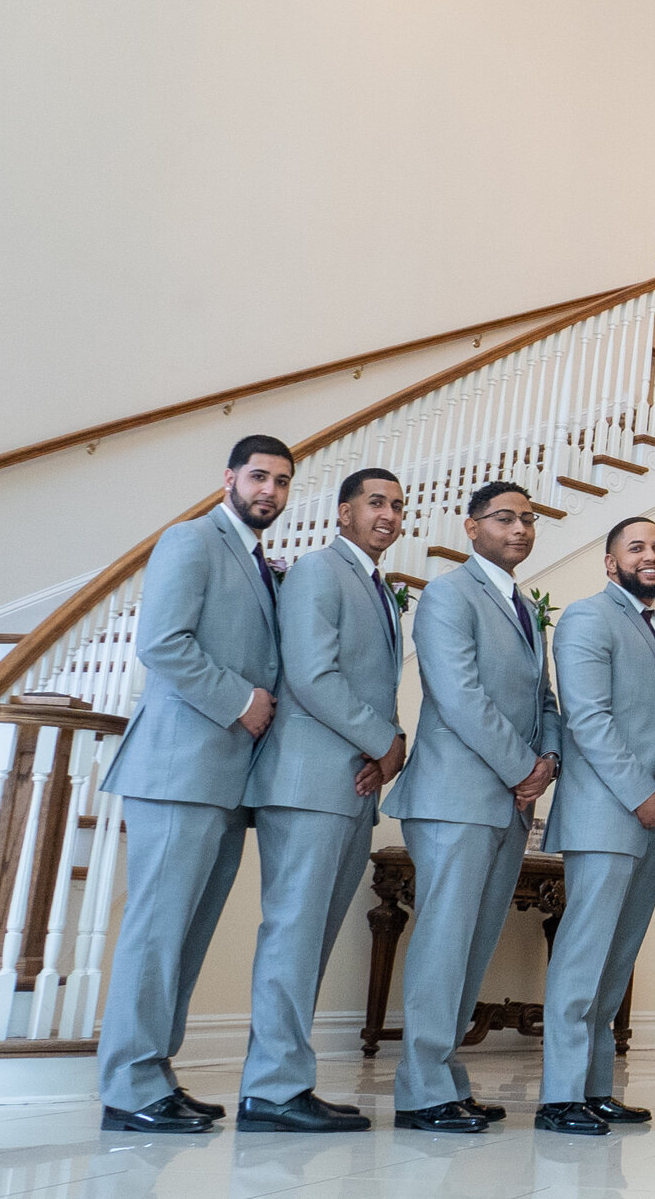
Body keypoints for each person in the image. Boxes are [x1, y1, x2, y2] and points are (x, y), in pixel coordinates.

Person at [97, 435, 293, 1133]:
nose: (269, 490)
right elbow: (163, 641)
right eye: (259, 475)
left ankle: (155, 1071)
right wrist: (241, 700)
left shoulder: (261, 562)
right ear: (230, 478)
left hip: (226, 782)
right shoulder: (192, 539)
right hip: (179, 770)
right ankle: (127, 1084)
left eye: (281, 481)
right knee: (155, 933)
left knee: (187, 936)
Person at [235, 465, 408, 1134]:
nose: (388, 513)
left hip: (349, 788)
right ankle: (272, 1088)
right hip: (307, 782)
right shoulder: (317, 571)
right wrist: (384, 740)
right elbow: (311, 672)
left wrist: (382, 750)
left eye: (397, 503)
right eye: (374, 502)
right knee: (292, 935)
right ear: (342, 513)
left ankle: (281, 1080)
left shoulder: (380, 588)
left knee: (311, 942)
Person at [385, 481, 561, 1133]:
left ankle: (447, 1076)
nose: (520, 528)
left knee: (474, 944)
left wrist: (547, 762)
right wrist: (524, 768)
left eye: (529, 518)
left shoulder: (525, 606)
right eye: (506, 518)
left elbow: (544, 699)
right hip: (455, 797)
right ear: (471, 526)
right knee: (444, 940)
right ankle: (421, 1089)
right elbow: (457, 695)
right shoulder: (448, 595)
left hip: (509, 804)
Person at [536, 517, 655, 1135]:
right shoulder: (585, 618)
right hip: (606, 818)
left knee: (617, 959)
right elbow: (588, 719)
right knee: (582, 958)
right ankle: (558, 1097)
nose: (651, 554)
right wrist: (641, 796)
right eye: (637, 547)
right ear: (611, 564)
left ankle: (595, 1087)